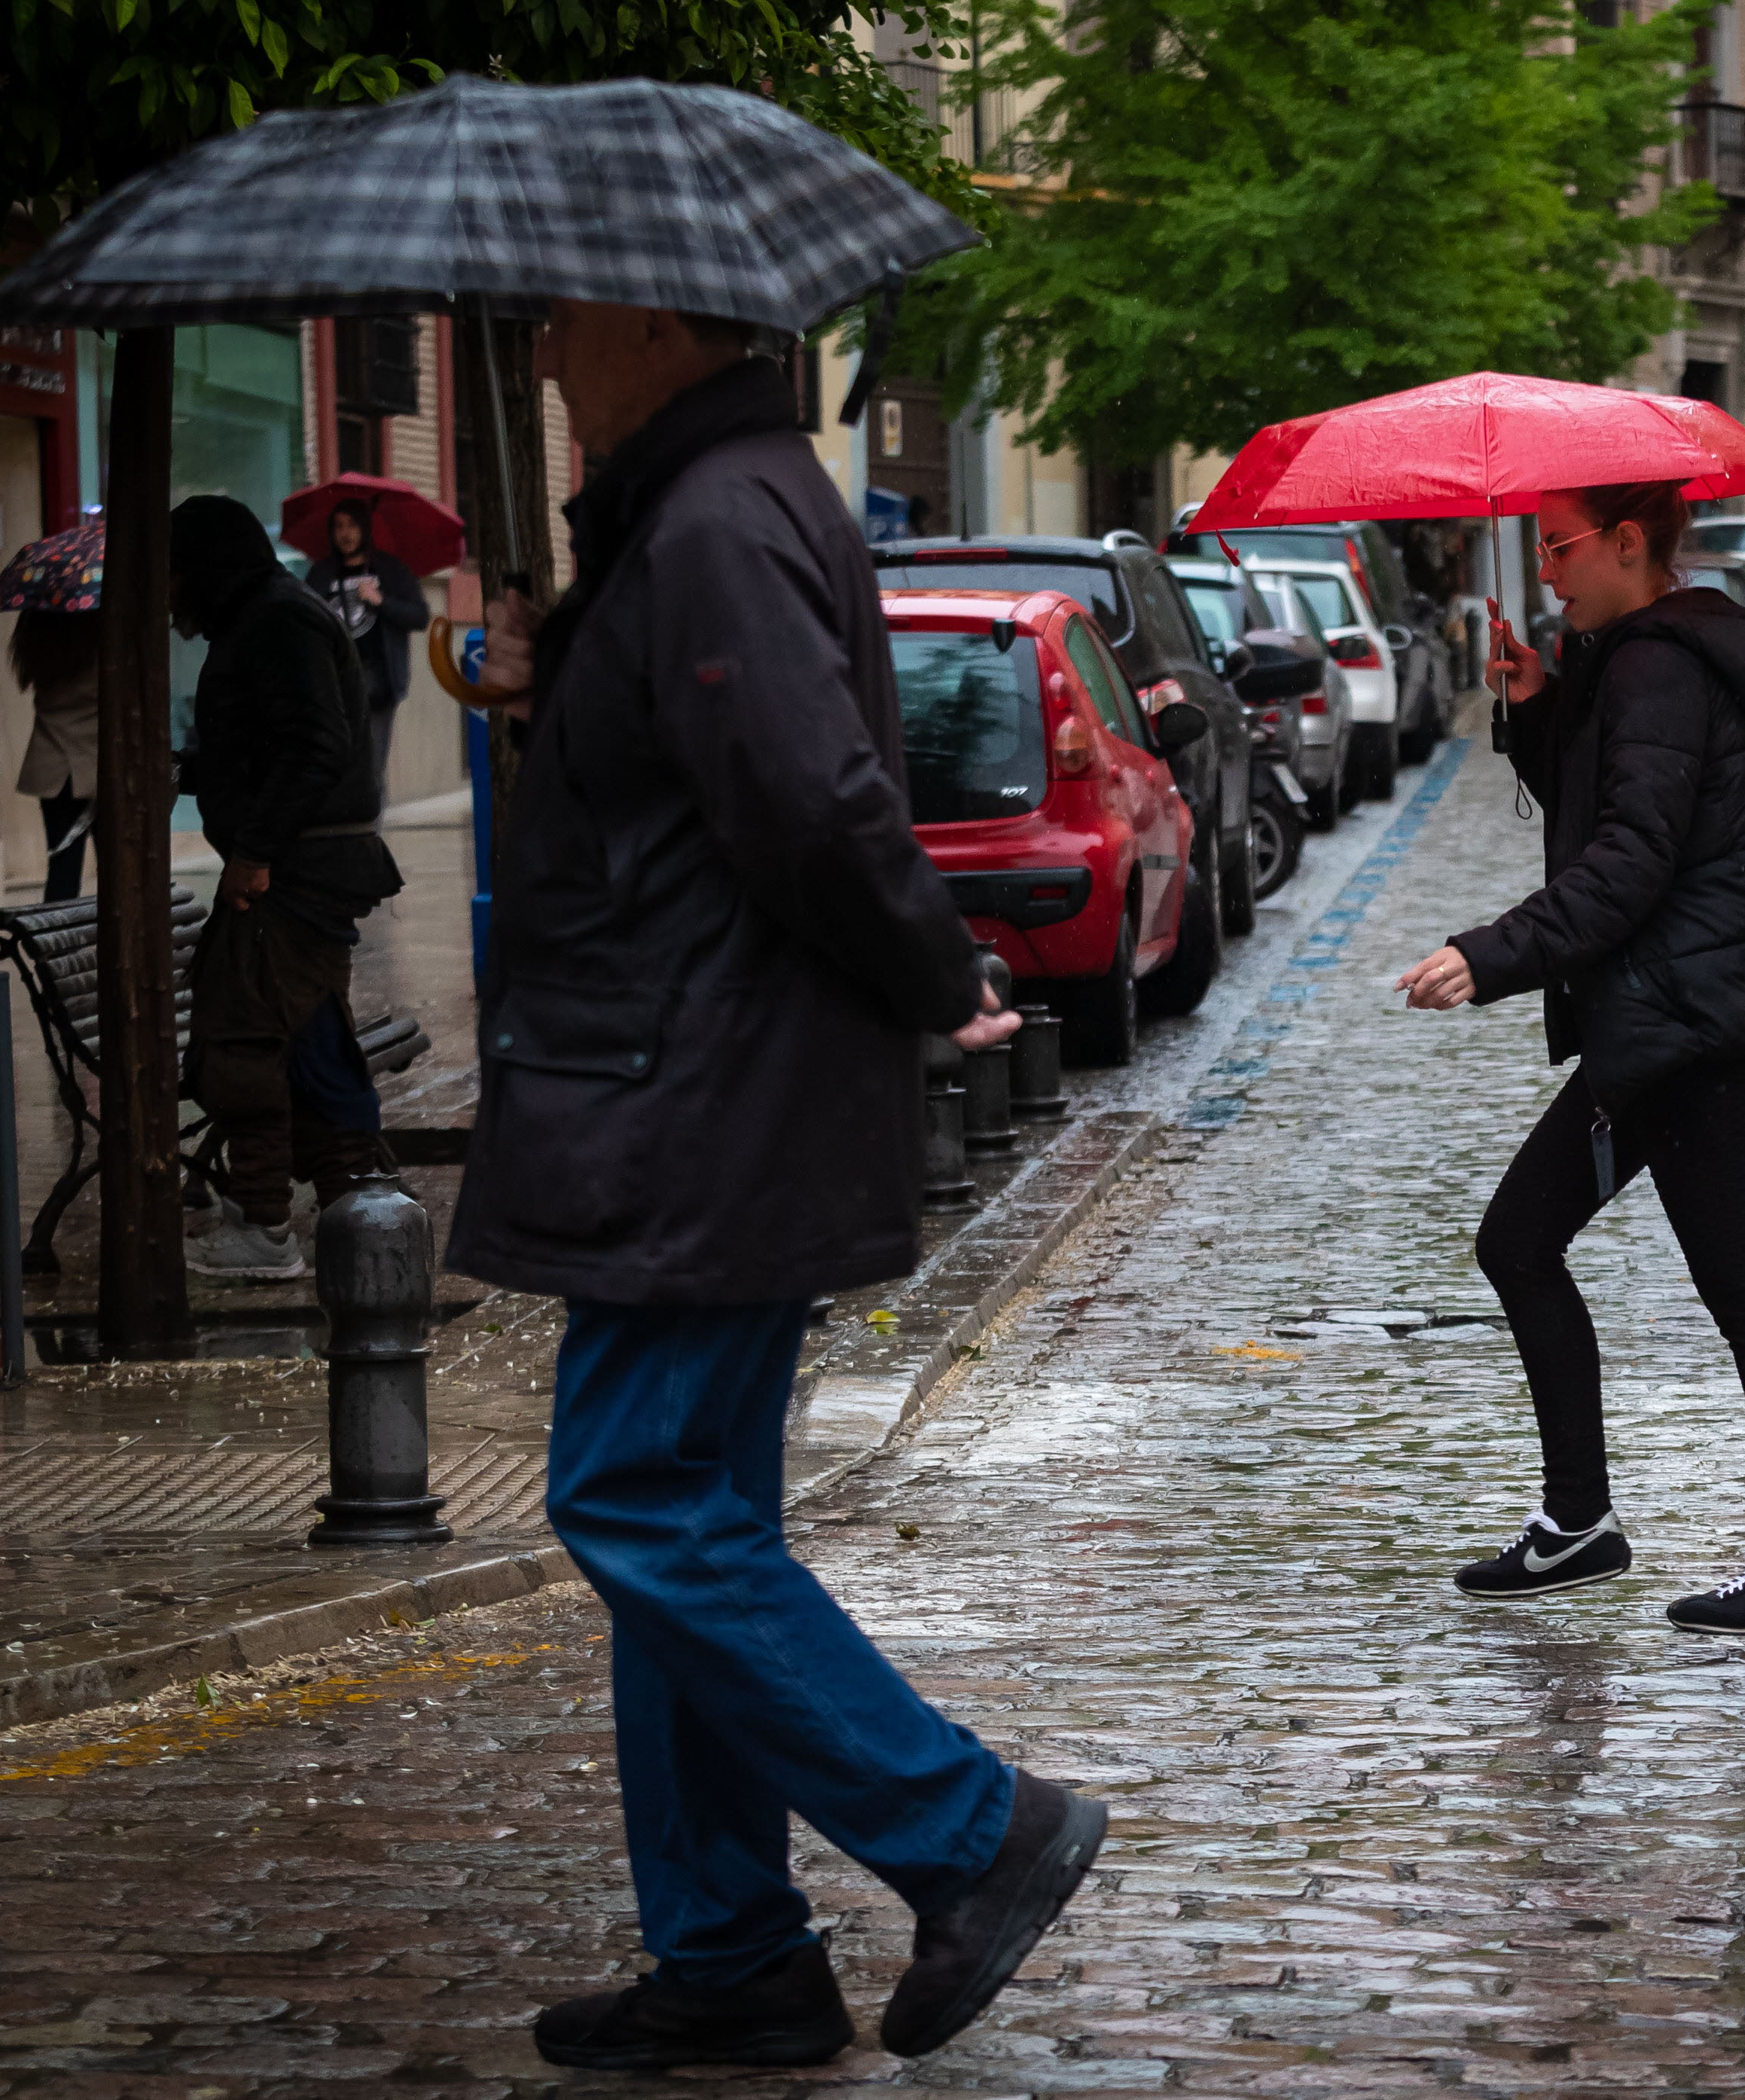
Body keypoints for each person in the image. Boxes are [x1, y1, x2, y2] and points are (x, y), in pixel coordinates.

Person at [456, 300, 1104, 2074]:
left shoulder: (721, 510)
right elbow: (694, 767)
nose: (544, 356)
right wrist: (555, 674)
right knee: (692, 1531)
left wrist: (935, 967)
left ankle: (972, 1830)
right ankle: (731, 1950)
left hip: (698, 1096)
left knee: (637, 1500)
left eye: (569, 318)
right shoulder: (711, 505)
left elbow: (810, 800)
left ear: (661, 321)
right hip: (700, 1086)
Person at [1395, 481, 1745, 1637]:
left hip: (1680, 1024)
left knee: (1734, 1290)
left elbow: (1630, 865)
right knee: (1530, 1244)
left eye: (1560, 546)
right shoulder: (1648, 657)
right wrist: (1541, 708)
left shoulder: (1658, 665)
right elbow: (1620, 813)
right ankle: (1585, 1524)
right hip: (1672, 1016)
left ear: (1629, 543)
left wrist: (1491, 956)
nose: (1546, 569)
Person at [170, 494, 403, 1283]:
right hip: (300, 866)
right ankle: (353, 1215)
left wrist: (256, 853)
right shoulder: (260, 618)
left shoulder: (278, 620)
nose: (168, 593)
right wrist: (186, 771)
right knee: (308, 1038)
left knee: (245, 1037)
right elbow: (264, 748)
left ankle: (267, 1225)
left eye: (174, 574)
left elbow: (315, 745)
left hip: (297, 872)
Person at [307, 498, 429, 795]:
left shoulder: (389, 570)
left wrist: (381, 601)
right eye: (338, 526)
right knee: (337, 764)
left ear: (365, 529)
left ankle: (370, 834)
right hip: (333, 683)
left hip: (378, 680)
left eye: (352, 525)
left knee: (371, 767)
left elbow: (420, 616)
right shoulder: (321, 575)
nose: (345, 533)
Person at [8, 608, 99, 901]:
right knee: (117, 868)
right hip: (97, 770)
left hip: (52, 770)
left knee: (62, 867)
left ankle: (57, 943)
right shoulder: (100, 652)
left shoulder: (38, 645)